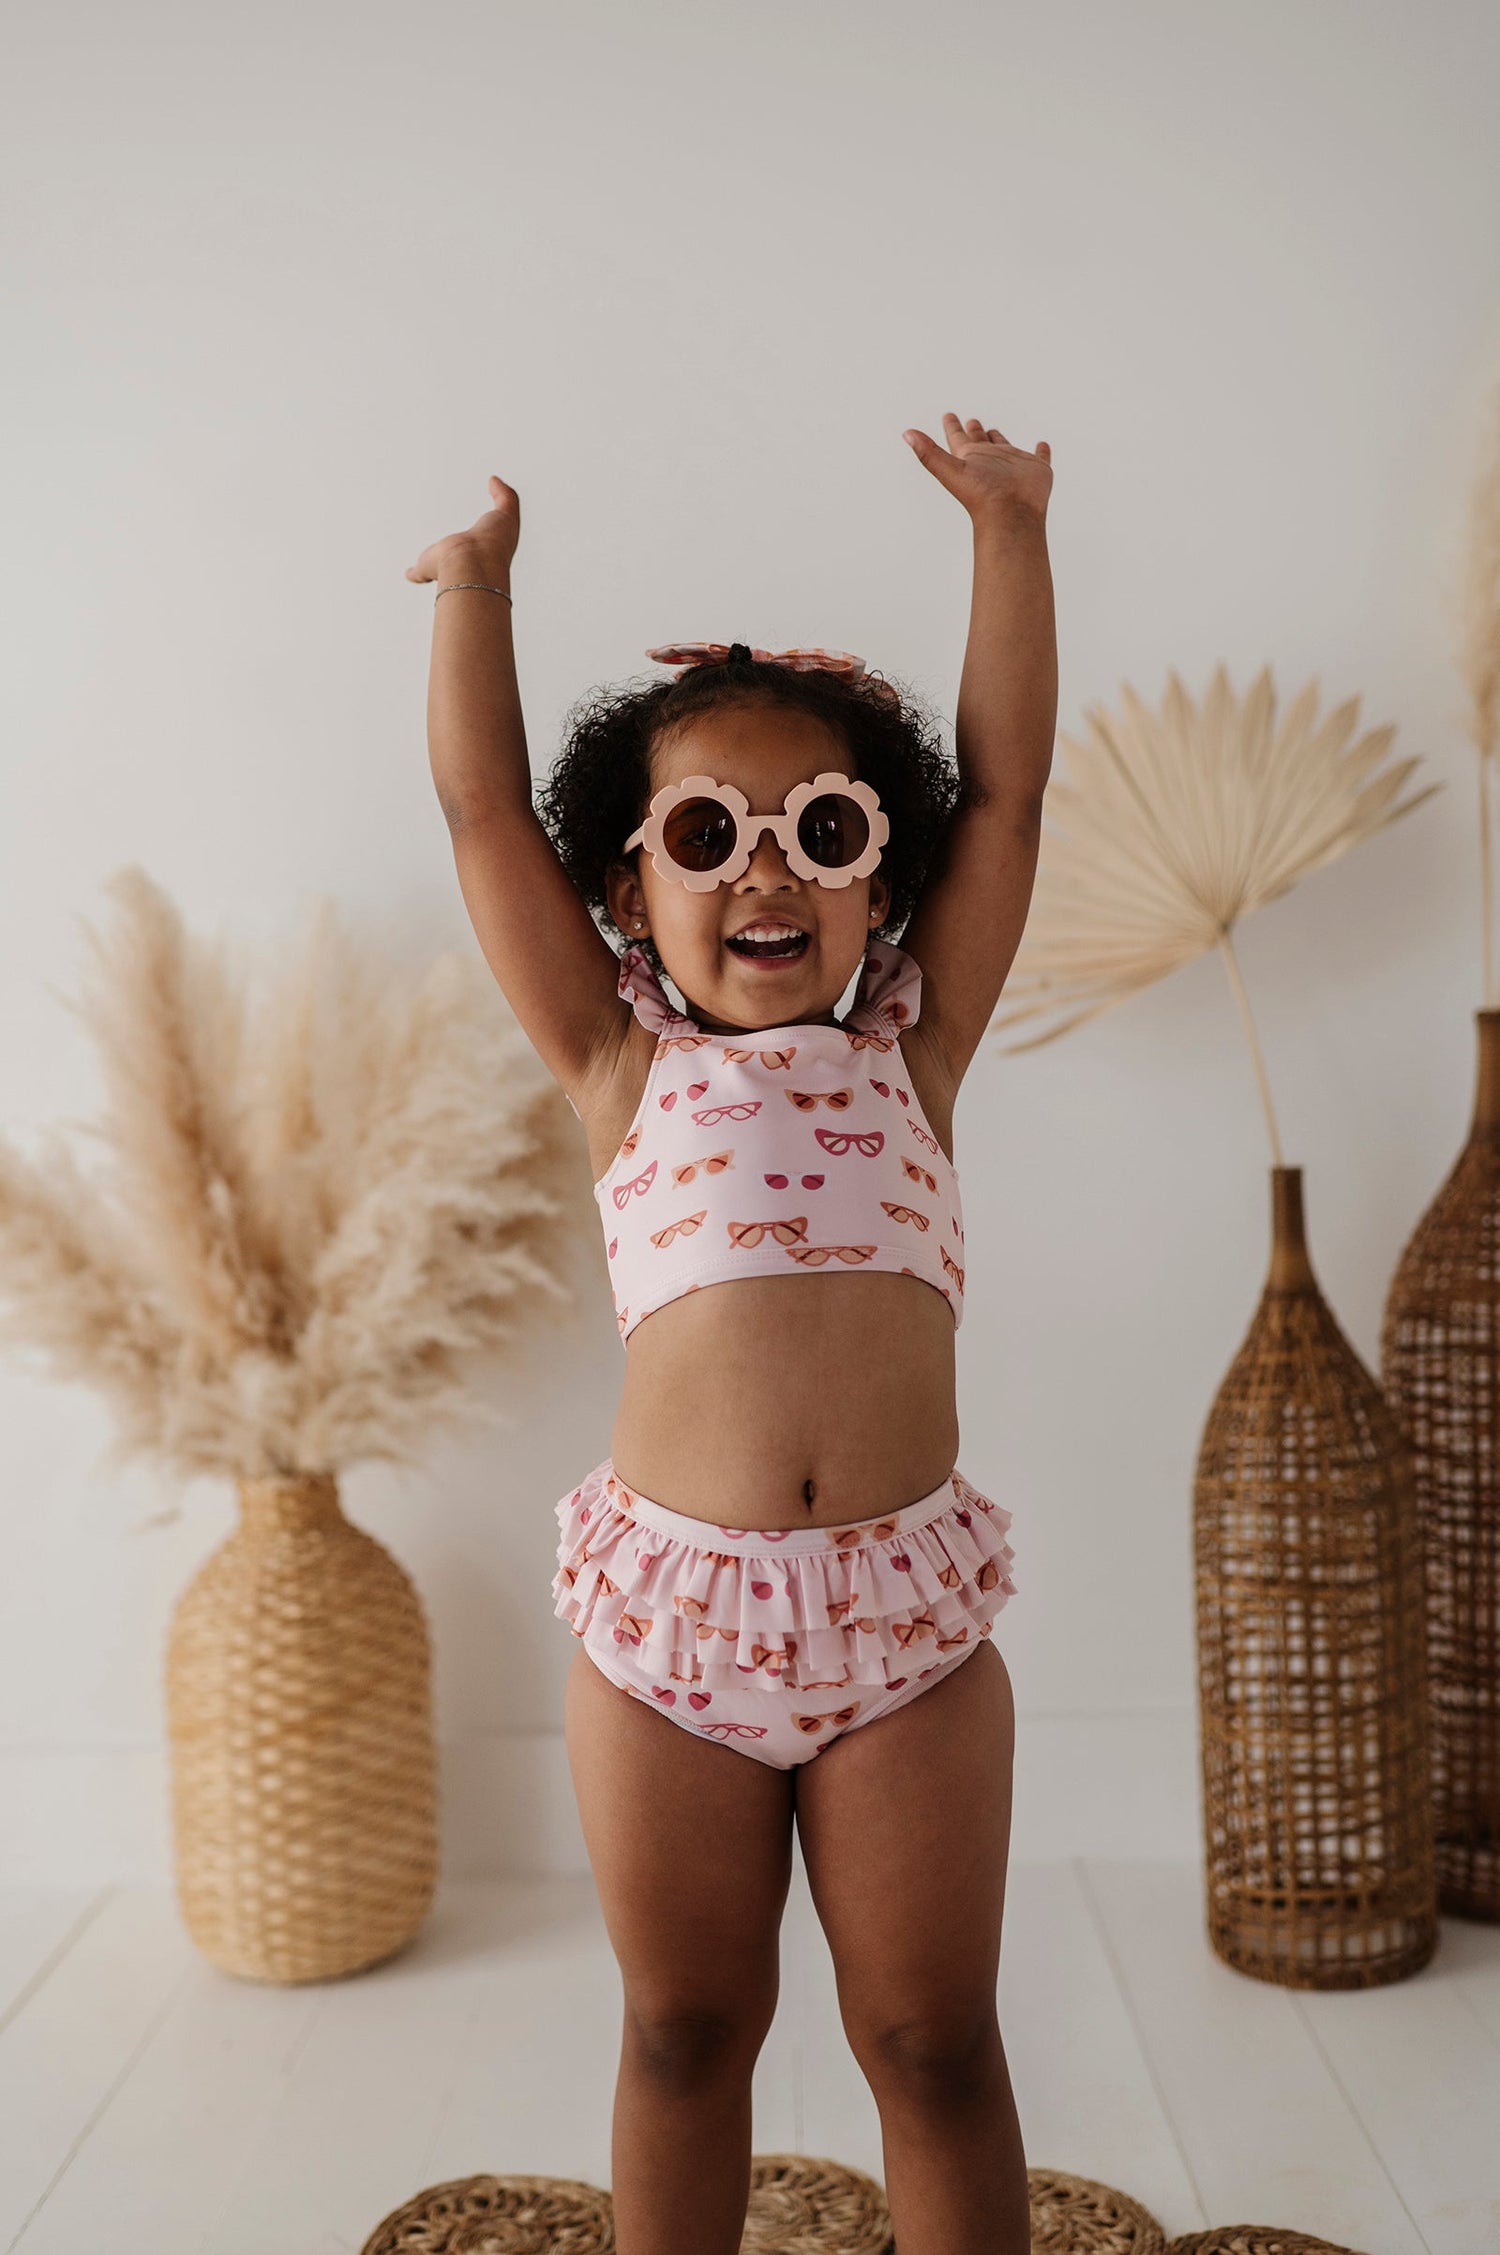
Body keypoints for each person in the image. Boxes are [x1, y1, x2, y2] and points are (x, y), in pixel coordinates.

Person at [406, 411, 1056, 2255]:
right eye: (710, 835)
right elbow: (481, 813)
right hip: (670, 1631)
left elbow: (1008, 797)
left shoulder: (915, 1051)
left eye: (820, 833)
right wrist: (478, 593)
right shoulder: (618, 1064)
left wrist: (1010, 535)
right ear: (629, 890)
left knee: (933, 2044)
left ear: (880, 880)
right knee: (685, 2033)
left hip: (904, 1634)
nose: (766, 874)